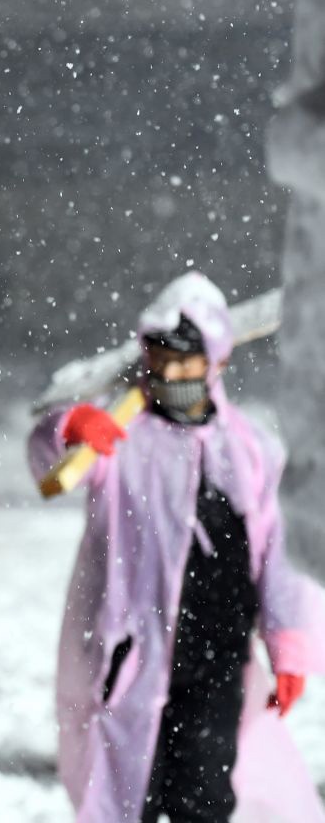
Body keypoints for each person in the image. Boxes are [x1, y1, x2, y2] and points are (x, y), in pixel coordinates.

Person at [28, 271, 325, 823]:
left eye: (186, 361)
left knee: (204, 797)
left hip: (218, 656)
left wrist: (291, 645)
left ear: (217, 362)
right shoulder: (120, 438)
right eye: (161, 358)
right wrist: (69, 427)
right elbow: (47, 464)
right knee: (127, 794)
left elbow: (282, 555)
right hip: (129, 652)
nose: (171, 372)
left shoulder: (252, 449)